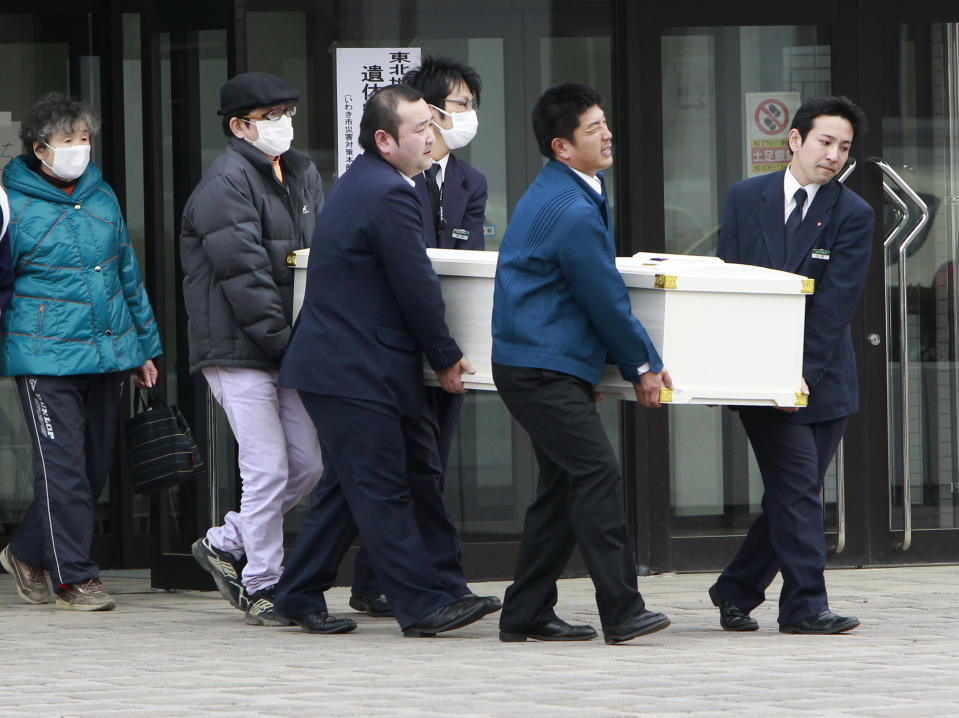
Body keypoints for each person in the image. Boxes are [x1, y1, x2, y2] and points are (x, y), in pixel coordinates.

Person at [273, 84, 498, 637]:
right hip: (351, 368)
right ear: (384, 139)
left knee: (378, 481)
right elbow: (415, 283)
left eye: (433, 123)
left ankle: (300, 594)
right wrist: (446, 356)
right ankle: (421, 605)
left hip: (362, 364)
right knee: (383, 486)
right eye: (420, 128)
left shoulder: (369, 183)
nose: (433, 136)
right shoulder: (389, 193)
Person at [491, 83, 672, 644]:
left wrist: (584, 370)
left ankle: (524, 612)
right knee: (596, 474)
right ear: (562, 146)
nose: (607, 134)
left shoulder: (568, 190)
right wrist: (642, 364)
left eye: (605, 124)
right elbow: (603, 297)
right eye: (593, 129)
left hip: (543, 364)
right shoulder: (571, 208)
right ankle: (621, 609)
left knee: (563, 487)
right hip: (539, 367)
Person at [709, 95, 872, 635]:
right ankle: (804, 606)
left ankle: (734, 589)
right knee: (799, 489)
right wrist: (753, 368)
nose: (833, 155)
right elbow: (732, 284)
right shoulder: (744, 197)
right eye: (825, 142)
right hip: (760, 375)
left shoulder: (853, 213)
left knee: (789, 494)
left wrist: (801, 371)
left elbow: (835, 304)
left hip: (822, 379)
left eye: (844, 147)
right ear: (795, 140)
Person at [0, 93, 162, 611]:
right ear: (38, 147)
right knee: (63, 466)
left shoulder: (102, 196)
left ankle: (26, 554)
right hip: (43, 356)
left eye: (85, 139)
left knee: (91, 468)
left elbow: (126, 276)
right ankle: (76, 577)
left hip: (107, 351)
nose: (78, 149)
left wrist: (144, 348)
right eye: (68, 140)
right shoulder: (11, 202)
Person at [179, 72, 325, 627]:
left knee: (306, 466)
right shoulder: (225, 184)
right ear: (239, 126)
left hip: (289, 348)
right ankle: (265, 583)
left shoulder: (303, 172)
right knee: (265, 469)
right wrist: (289, 346)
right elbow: (244, 277)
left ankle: (224, 541)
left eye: (288, 111)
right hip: (238, 349)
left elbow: (315, 260)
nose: (283, 123)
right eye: (271, 116)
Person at [348, 55, 489, 619]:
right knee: (393, 469)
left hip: (445, 340)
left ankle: (414, 581)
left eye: (472, 107)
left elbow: (468, 260)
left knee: (431, 462)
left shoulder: (468, 182)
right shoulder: (387, 176)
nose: (467, 117)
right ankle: (377, 581)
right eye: (458, 106)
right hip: (391, 343)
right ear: (426, 112)